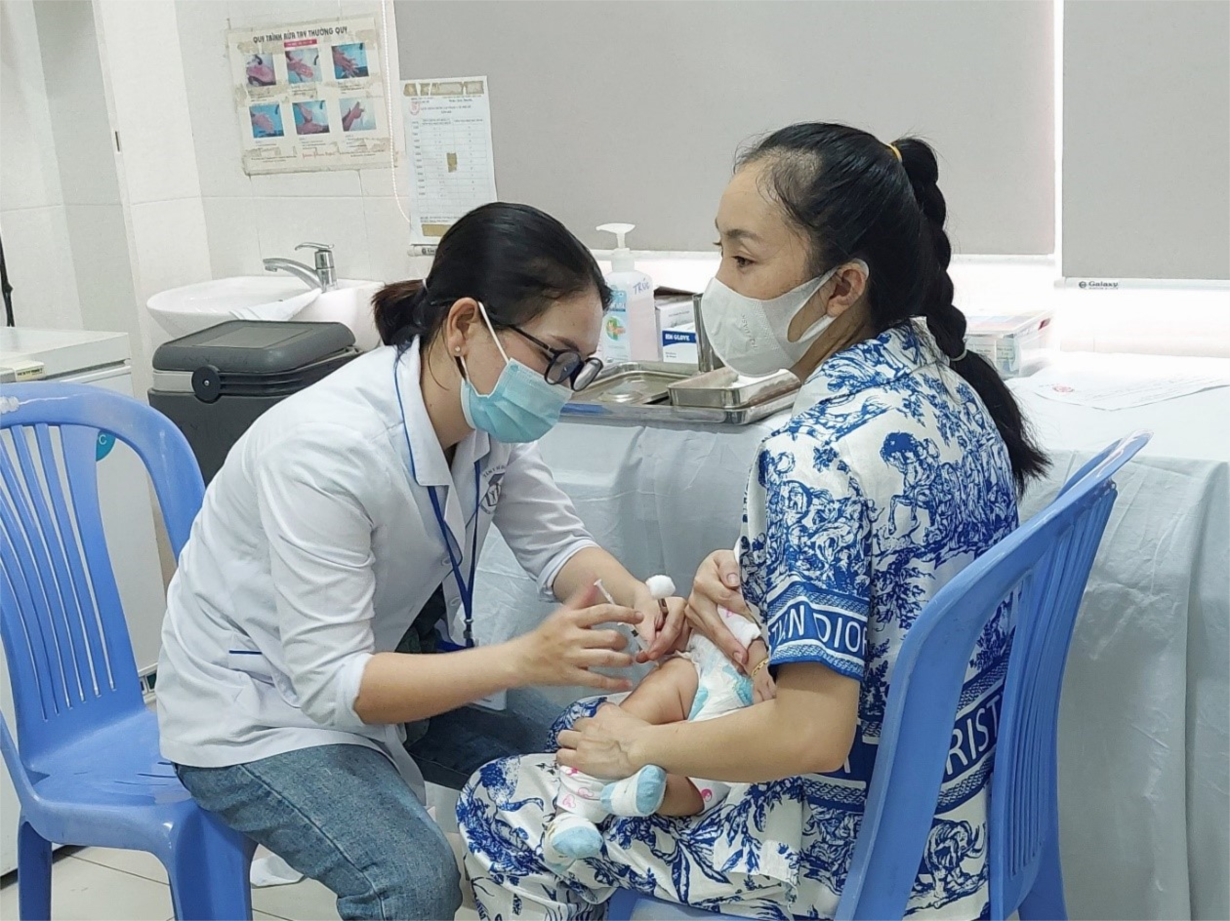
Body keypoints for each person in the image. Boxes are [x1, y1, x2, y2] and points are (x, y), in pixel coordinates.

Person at [458, 123, 1049, 920]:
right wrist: (751, 583)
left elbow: (811, 733)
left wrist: (642, 746)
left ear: (842, 287)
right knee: (609, 732)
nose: (719, 287)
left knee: (504, 800)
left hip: (844, 852)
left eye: (743, 259)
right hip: (960, 822)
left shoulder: (815, 453)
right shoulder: (955, 390)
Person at [157, 202, 683, 921]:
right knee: (413, 882)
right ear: (466, 325)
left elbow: (560, 547)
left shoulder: (480, 416)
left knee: (596, 756)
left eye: (578, 367)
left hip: (391, 665)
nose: (560, 387)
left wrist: (640, 601)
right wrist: (524, 658)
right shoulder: (325, 450)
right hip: (256, 706)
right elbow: (336, 683)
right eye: (554, 359)